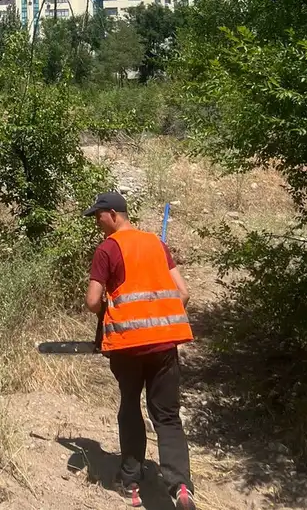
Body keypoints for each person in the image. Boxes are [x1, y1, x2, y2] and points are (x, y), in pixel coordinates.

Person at [84, 190, 196, 509]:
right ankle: (181, 487)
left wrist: (114, 311)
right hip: (164, 347)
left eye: (98, 215)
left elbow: (93, 301)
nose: (96, 221)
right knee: (167, 416)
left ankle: (132, 481)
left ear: (115, 215)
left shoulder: (107, 249)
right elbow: (183, 293)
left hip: (127, 348)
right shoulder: (156, 244)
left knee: (131, 407)